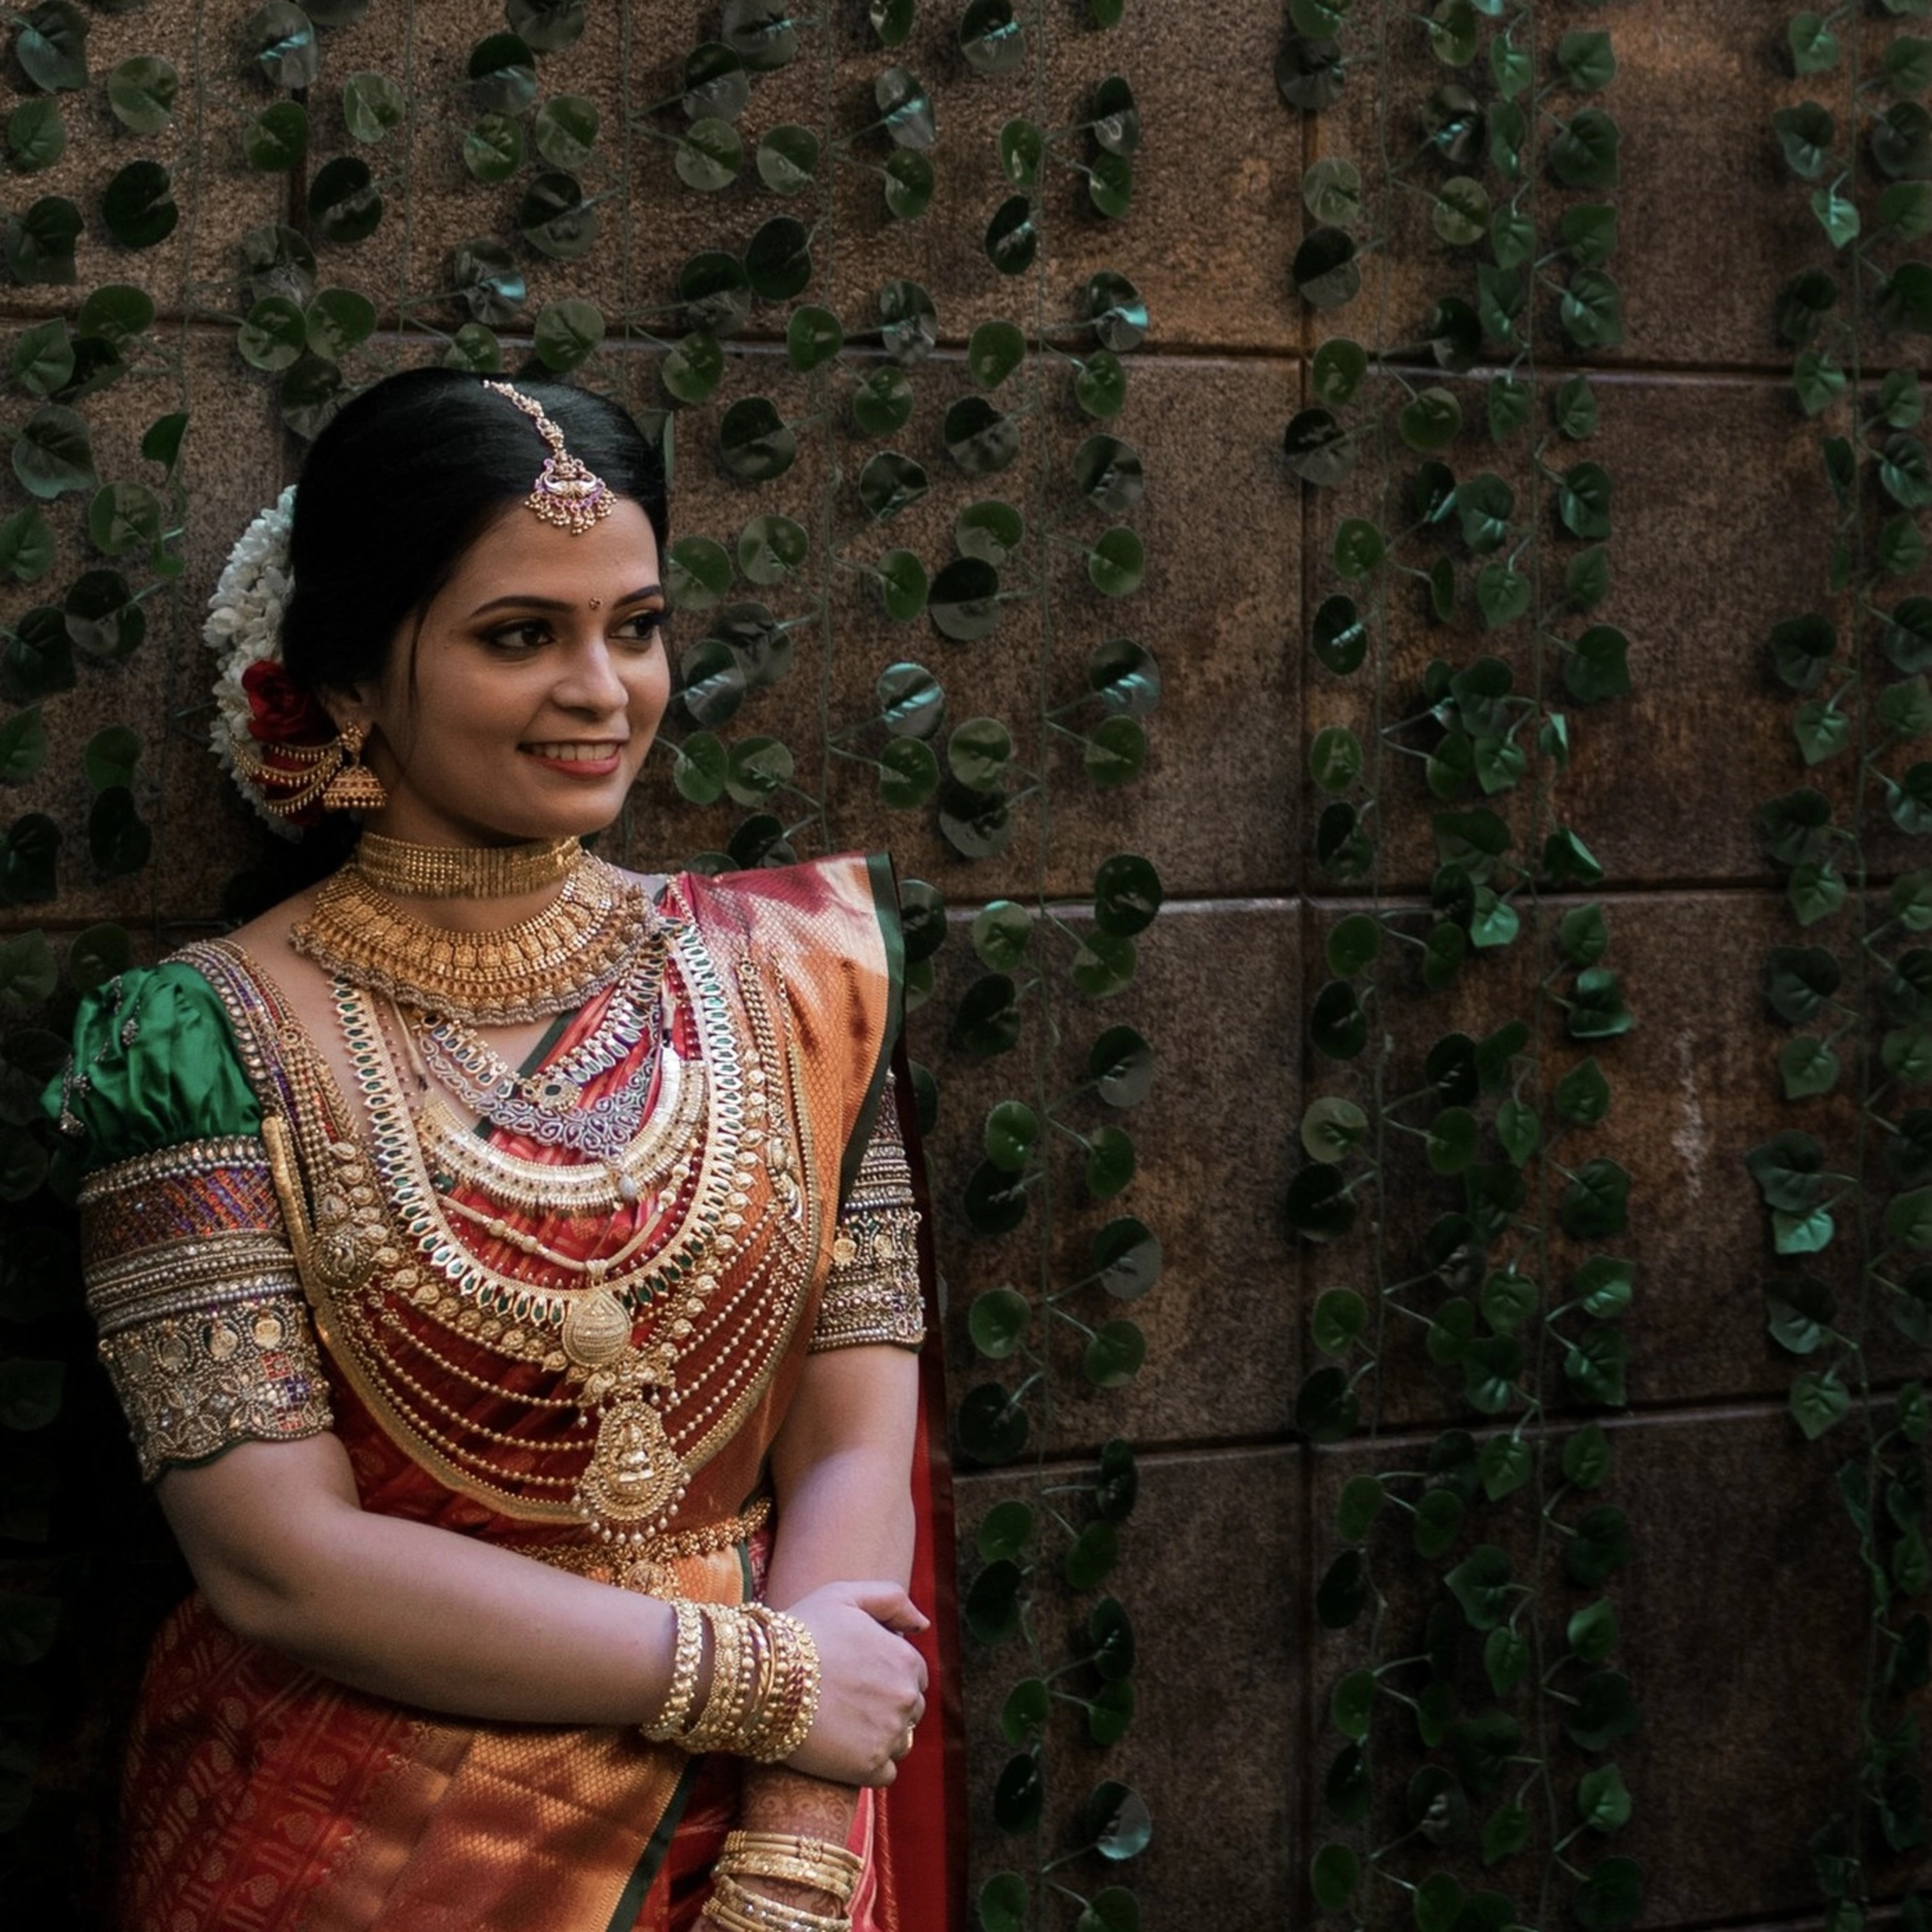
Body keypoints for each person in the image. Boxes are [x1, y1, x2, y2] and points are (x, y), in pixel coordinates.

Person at [44, 369, 962, 1930]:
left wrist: (803, 1829)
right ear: (344, 677)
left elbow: (858, 1441)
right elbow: (278, 1560)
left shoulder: (803, 979)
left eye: (637, 623)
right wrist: (757, 1678)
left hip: (773, 1830)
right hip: (369, 1841)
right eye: (518, 634)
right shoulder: (200, 1046)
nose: (603, 688)